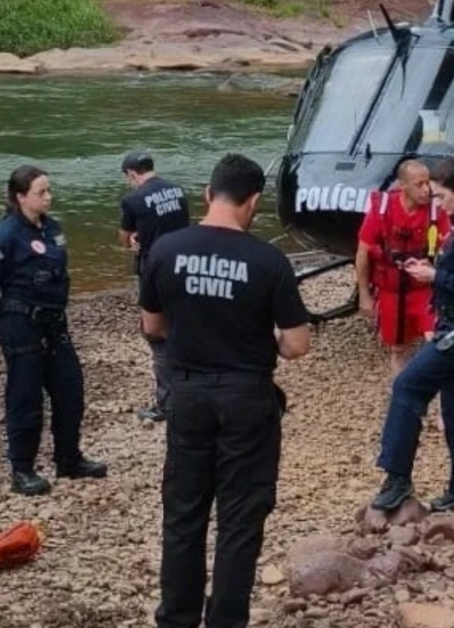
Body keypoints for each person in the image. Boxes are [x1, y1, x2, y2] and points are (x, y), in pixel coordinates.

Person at [139, 153, 311, 628]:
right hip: (246, 396)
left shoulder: (167, 250)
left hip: (188, 393)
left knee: (184, 513)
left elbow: (153, 325)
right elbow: (297, 345)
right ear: (253, 201)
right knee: (239, 519)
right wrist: (263, 336)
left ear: (208, 194)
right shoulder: (268, 261)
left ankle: (176, 618)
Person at [370, 147, 454, 513]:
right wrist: (434, 272)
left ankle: (396, 476)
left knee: (407, 386)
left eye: (441, 196)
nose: (437, 204)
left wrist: (433, 275)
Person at [0, 165, 107, 497]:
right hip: (22, 325)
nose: (49, 197)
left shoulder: (52, 229)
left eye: (49, 191)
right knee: (25, 398)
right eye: (41, 192)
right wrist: (4, 320)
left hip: (54, 322)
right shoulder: (5, 236)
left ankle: (69, 458)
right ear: (20, 197)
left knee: (70, 390)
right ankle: (22, 469)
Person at [356, 159, 451, 375]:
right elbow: (363, 252)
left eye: (428, 183)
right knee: (398, 349)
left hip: (425, 291)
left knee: (436, 341)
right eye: (419, 184)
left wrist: (437, 267)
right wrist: (364, 295)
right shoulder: (381, 210)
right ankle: (403, 397)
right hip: (391, 293)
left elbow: (450, 247)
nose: (427, 190)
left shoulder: (436, 212)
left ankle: (427, 389)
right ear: (402, 186)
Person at [118, 150, 190, 422]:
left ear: (132, 173)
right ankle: (191, 386)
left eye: (128, 178)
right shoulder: (178, 190)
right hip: (183, 264)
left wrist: (134, 238)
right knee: (183, 325)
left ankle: (167, 403)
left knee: (156, 335)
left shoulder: (133, 199)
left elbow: (125, 239)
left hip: (154, 271)